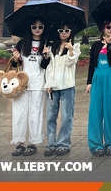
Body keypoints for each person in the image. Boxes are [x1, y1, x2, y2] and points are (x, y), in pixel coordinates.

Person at [10, 18, 50, 156]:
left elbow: (45, 66)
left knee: (35, 113)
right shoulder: (22, 43)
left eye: (40, 26)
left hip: (38, 83)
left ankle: (33, 143)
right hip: (21, 84)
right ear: (30, 28)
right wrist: (15, 58)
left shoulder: (46, 44)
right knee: (19, 112)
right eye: (34, 27)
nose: (37, 29)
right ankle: (20, 142)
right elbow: (16, 65)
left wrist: (46, 56)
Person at [85, 21, 111, 157]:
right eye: (108, 27)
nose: (110, 30)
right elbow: (91, 64)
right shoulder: (95, 44)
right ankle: (96, 145)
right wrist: (89, 82)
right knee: (95, 112)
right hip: (97, 77)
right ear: (103, 28)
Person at [44, 22, 80, 156]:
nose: (64, 33)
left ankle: (64, 143)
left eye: (67, 30)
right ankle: (51, 143)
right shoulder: (51, 47)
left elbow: (70, 63)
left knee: (66, 117)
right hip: (53, 86)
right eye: (61, 30)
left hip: (67, 86)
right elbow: (49, 67)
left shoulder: (75, 47)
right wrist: (48, 83)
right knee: (50, 117)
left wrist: (70, 49)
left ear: (71, 32)